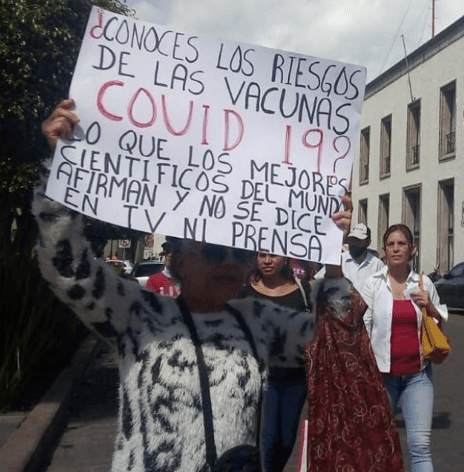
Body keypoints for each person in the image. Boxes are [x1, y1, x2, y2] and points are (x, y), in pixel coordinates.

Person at [38, 99, 353, 472]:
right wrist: (62, 172)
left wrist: (332, 251)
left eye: (242, 254)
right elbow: (69, 271)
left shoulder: (258, 321)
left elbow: (335, 343)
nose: (231, 263)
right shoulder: (139, 315)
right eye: (216, 252)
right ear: (179, 257)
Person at [359, 223, 447, 472]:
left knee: (420, 447)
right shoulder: (373, 284)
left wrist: (429, 306)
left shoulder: (424, 283)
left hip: (417, 377)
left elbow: (439, 323)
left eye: (401, 244)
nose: (396, 249)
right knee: (377, 445)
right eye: (390, 244)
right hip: (381, 378)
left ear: (412, 249)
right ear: (384, 250)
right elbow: (363, 328)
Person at [237, 251, 311, 472]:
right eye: (261, 255)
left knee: (286, 441)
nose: (267, 261)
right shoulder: (244, 292)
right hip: (262, 379)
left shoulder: (303, 290)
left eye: (273, 256)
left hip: (295, 379)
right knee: (267, 441)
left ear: (286, 258)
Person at [342, 223, 383, 292]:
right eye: (352, 239)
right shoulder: (340, 260)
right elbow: (320, 279)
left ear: (368, 242)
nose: (354, 243)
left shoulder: (377, 265)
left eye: (358, 240)